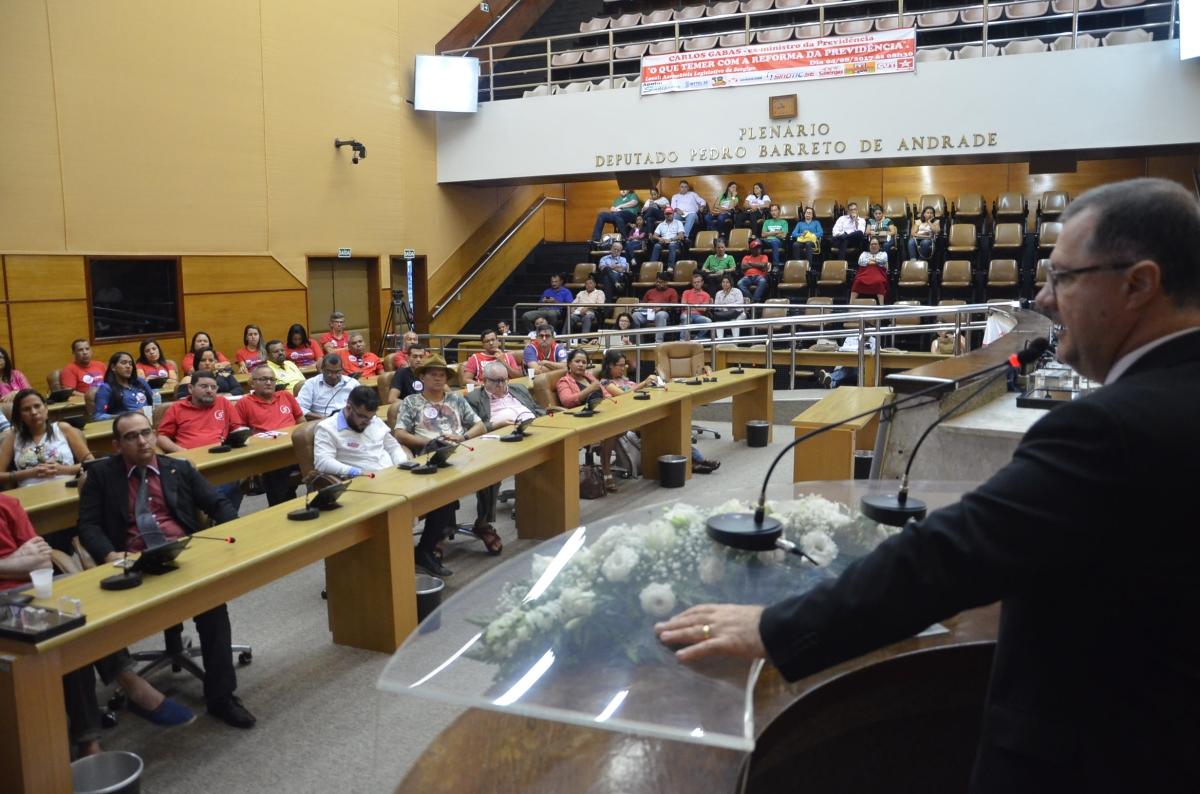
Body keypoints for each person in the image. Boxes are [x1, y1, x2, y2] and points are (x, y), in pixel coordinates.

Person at [654, 177, 1200, 792]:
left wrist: (771, 628)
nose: (1044, 300)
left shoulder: (1107, 428)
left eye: (1064, 278)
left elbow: (946, 559)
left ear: (1139, 284)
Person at [78, 411, 256, 728]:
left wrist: (238, 533)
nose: (143, 441)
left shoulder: (179, 468)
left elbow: (217, 504)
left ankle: (221, 697)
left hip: (182, 553)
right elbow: (88, 525)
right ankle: (128, 681)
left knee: (213, 608)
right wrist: (108, 554)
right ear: (117, 445)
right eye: (132, 437)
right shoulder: (102, 476)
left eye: (146, 433)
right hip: (132, 560)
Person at [0, 493, 195, 757]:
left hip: (31, 591)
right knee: (63, 632)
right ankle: (123, 696)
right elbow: (29, 563)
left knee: (77, 616)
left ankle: (93, 732)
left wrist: (14, 562)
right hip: (6, 606)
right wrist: (16, 560)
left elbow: (42, 562)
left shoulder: (8, 505)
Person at [392, 357, 490, 575]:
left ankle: (484, 522)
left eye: (442, 375)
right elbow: (399, 433)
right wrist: (429, 443)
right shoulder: (411, 402)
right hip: (429, 455)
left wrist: (463, 437)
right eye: (433, 374)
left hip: (460, 450)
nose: (438, 378)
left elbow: (480, 425)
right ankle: (429, 545)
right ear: (422, 377)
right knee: (447, 489)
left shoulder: (455, 399)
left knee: (492, 469)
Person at [599, 350, 720, 473]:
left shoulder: (624, 379)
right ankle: (698, 461)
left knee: (671, 428)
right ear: (610, 365)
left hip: (642, 410)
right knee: (668, 430)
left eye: (624, 365)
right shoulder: (605, 382)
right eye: (619, 365)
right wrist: (643, 383)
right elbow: (623, 395)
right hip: (628, 418)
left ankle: (693, 463)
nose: (622, 368)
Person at [465, 360, 545, 540]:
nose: (501, 385)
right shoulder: (473, 399)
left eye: (504, 380)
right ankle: (484, 519)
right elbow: (472, 427)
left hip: (534, 432)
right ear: (484, 381)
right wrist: (495, 425)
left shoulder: (519, 390)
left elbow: (537, 409)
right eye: (496, 381)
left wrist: (549, 422)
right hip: (500, 440)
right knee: (491, 466)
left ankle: (545, 506)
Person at [157, 371, 244, 510]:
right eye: (204, 386)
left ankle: (222, 517)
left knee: (229, 484)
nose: (209, 390)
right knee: (221, 489)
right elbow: (161, 437)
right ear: (191, 388)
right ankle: (224, 517)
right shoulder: (176, 408)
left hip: (221, 460)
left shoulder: (223, 403)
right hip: (191, 463)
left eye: (213, 387)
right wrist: (184, 453)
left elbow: (236, 429)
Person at [232, 364, 304, 505]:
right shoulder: (244, 403)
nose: (269, 382)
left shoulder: (286, 396)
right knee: (275, 470)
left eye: (272, 379)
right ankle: (281, 509)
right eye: (264, 379)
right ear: (253, 383)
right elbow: (240, 433)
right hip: (269, 454)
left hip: (294, 449)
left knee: (320, 460)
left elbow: (302, 423)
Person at [0, 389, 92, 488]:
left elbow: (91, 464)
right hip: (28, 493)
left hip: (65, 487)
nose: (34, 412)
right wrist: (29, 473)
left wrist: (63, 469)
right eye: (26, 409)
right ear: (20, 415)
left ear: (46, 408)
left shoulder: (63, 429)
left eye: (37, 406)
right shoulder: (13, 437)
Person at [557, 349, 619, 492]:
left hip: (601, 413)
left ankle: (598, 446)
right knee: (610, 429)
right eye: (577, 361)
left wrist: (609, 401)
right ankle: (606, 470)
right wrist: (589, 390)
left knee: (617, 425)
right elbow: (567, 401)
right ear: (569, 364)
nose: (581, 365)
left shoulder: (590, 378)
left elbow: (606, 393)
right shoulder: (564, 381)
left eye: (584, 362)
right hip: (580, 417)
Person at [93, 351, 155, 421]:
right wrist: (128, 415)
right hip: (126, 424)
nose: (128, 366)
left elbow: (155, 402)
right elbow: (98, 417)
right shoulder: (106, 388)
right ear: (113, 367)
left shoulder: (140, 381)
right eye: (123, 363)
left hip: (148, 421)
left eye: (130, 364)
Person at [297, 353, 357, 421]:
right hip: (322, 422)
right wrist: (322, 418)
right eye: (329, 372)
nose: (334, 376)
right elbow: (299, 408)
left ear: (342, 370)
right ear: (322, 369)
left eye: (338, 372)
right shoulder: (311, 384)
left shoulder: (352, 383)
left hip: (350, 421)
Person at [175, 349, 242, 399]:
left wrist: (223, 398)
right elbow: (182, 399)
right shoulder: (188, 379)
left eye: (210, 360)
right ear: (196, 362)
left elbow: (239, 390)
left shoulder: (225, 375)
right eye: (203, 360)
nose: (207, 363)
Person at [632, 273, 679, 344]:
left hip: (662, 313)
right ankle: (639, 341)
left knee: (661, 315)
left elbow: (674, 305)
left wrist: (661, 307)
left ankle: (658, 342)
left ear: (666, 283)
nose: (658, 284)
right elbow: (643, 303)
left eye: (660, 282)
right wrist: (638, 309)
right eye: (656, 282)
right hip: (648, 313)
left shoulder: (672, 291)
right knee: (635, 315)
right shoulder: (650, 291)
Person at [850, 236, 890, 305]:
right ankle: (850, 304)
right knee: (858, 281)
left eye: (875, 244)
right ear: (869, 246)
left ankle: (882, 305)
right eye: (872, 244)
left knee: (879, 282)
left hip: (878, 274)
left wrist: (869, 260)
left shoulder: (883, 254)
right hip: (865, 274)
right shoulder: (864, 254)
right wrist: (876, 261)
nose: (873, 246)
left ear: (879, 246)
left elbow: (883, 260)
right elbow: (861, 261)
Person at [737, 239, 770, 305]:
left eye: (759, 247)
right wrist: (757, 265)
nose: (758, 249)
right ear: (751, 250)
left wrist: (750, 263)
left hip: (759, 276)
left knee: (762, 281)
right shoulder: (746, 257)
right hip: (748, 277)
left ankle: (754, 300)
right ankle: (752, 299)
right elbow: (743, 267)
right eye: (756, 248)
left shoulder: (764, 256)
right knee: (739, 283)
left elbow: (763, 265)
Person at [681, 272, 713, 340]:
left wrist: (690, 305)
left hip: (698, 316)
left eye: (698, 282)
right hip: (686, 313)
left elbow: (704, 309)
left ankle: (697, 338)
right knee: (687, 319)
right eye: (694, 282)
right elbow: (684, 306)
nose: (696, 283)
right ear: (692, 284)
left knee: (708, 321)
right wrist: (698, 307)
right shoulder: (686, 292)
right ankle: (682, 340)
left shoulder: (706, 295)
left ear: (702, 282)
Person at [760, 203, 790, 269]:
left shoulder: (784, 222)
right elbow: (763, 234)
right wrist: (777, 232)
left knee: (774, 241)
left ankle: (776, 265)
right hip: (767, 241)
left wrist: (769, 233)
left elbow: (783, 236)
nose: (773, 212)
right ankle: (759, 264)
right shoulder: (767, 222)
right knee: (757, 242)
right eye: (772, 211)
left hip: (778, 242)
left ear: (779, 211)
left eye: (775, 210)